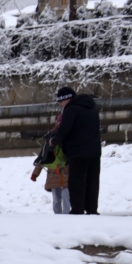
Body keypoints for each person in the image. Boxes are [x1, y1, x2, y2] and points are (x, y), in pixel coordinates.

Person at [47, 86, 100, 215]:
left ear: (67, 98)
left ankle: (77, 210)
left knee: (77, 182)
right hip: (94, 151)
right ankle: (92, 209)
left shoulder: (71, 109)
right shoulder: (92, 107)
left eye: (60, 101)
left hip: (78, 152)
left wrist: (54, 140)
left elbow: (65, 129)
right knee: (92, 182)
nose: (60, 104)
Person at [30, 143, 71, 214]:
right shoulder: (48, 147)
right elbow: (41, 160)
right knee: (58, 199)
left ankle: (65, 215)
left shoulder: (66, 145)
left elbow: (41, 160)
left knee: (63, 198)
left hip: (63, 176)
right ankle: (59, 215)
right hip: (55, 176)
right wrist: (35, 174)